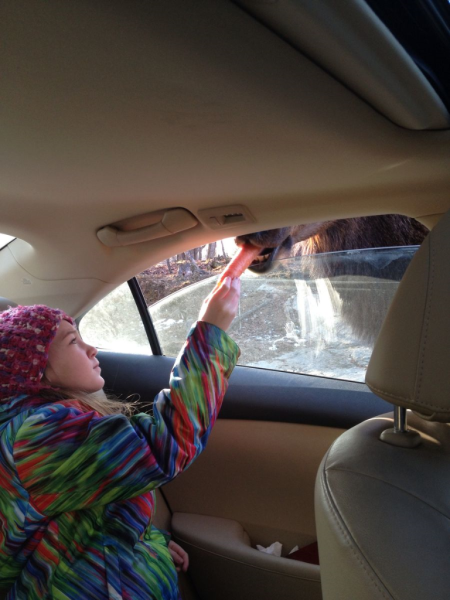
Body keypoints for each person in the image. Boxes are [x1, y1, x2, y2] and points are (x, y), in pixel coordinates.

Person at [0, 276, 241, 600]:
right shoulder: (35, 437)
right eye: (73, 342)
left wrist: (140, 534)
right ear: (35, 368)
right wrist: (210, 334)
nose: (91, 348)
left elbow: (85, 507)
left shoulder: (47, 430)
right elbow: (165, 443)